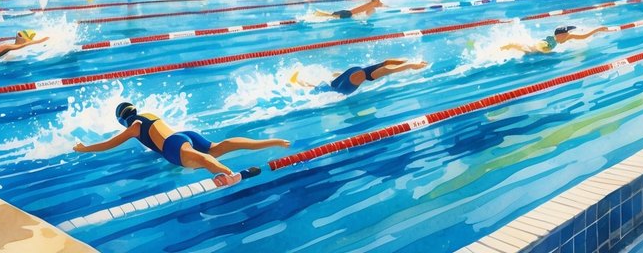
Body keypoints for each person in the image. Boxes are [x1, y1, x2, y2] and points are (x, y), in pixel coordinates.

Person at [73, 102, 289, 188]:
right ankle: (275, 141)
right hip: (185, 135)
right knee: (222, 146)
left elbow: (108, 144)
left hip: (173, 146)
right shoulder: (147, 114)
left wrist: (85, 148)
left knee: (205, 161)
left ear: (122, 119)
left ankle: (229, 174)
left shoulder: (134, 126)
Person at [291, 58, 427, 95]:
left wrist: (410, 64)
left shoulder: (373, 72)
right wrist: (411, 64)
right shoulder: (377, 71)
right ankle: (300, 84)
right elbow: (390, 66)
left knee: (328, 87)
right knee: (330, 87)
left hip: (354, 74)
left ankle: (300, 83)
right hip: (352, 78)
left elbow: (389, 65)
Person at [502, 25, 608, 55]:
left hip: (544, 47)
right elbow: (540, 47)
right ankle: (506, 46)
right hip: (537, 47)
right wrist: (549, 52)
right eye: (567, 33)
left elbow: (584, 36)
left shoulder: (566, 37)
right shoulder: (549, 42)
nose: (569, 35)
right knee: (525, 49)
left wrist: (598, 29)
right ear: (560, 35)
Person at [314, 0, 384, 19]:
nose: (379, 2)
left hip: (346, 12)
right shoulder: (373, 4)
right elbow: (366, 15)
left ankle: (317, 13)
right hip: (347, 14)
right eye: (378, 0)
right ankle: (317, 14)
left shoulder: (370, 5)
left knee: (329, 15)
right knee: (328, 16)